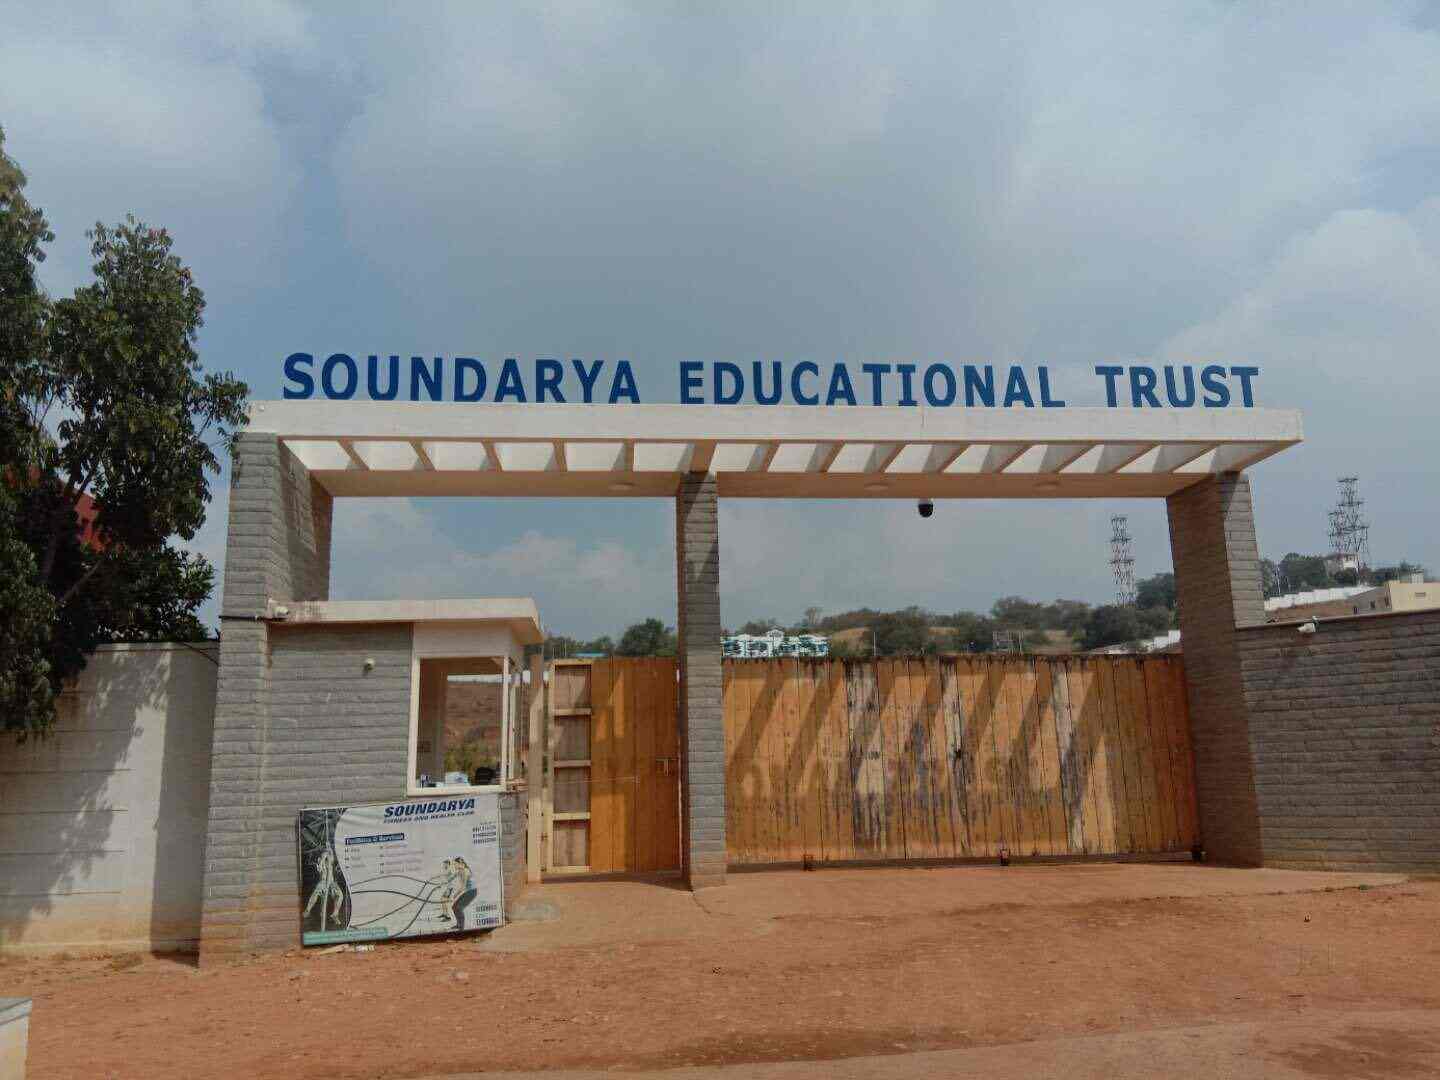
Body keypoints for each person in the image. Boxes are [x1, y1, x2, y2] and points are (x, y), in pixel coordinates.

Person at [303, 848, 345, 929]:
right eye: (324, 854)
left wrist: (328, 850)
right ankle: (307, 910)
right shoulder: (320, 861)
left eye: (327, 854)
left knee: (340, 895)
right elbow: (319, 869)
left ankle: (335, 914)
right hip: (323, 882)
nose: (326, 855)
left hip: (332, 883)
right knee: (316, 892)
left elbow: (331, 856)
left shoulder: (331, 860)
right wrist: (322, 858)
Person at [448, 856, 478, 931]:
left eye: (455, 864)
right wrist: (444, 881)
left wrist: (454, 896)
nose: (454, 866)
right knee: (454, 907)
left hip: (472, 892)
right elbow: (452, 877)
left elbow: (463, 887)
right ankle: (459, 924)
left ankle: (461, 927)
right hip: (468, 891)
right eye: (454, 864)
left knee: (458, 908)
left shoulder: (465, 871)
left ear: (460, 864)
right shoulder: (460, 870)